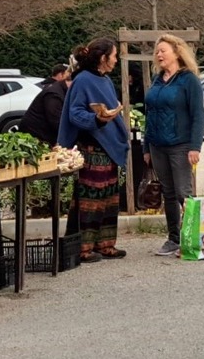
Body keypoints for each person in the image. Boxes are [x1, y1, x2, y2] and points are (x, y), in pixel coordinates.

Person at [58, 38, 129, 263]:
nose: (116, 60)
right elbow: (75, 113)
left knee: (109, 198)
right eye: (114, 56)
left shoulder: (105, 80)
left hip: (108, 149)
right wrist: (97, 118)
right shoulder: (83, 81)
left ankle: (105, 244)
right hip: (92, 147)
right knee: (90, 199)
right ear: (102, 58)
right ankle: (83, 248)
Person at [143, 34, 204, 257]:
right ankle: (173, 239)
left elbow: (198, 115)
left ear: (177, 53)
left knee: (183, 193)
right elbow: (149, 115)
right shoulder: (157, 80)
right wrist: (146, 147)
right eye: (157, 52)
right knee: (167, 193)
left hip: (181, 145)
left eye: (163, 51)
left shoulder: (189, 80)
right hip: (158, 146)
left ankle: (194, 237)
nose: (159, 55)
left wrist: (195, 146)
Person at [18, 76, 70, 145]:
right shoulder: (54, 94)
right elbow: (56, 121)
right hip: (35, 135)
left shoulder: (61, 90)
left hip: (41, 134)